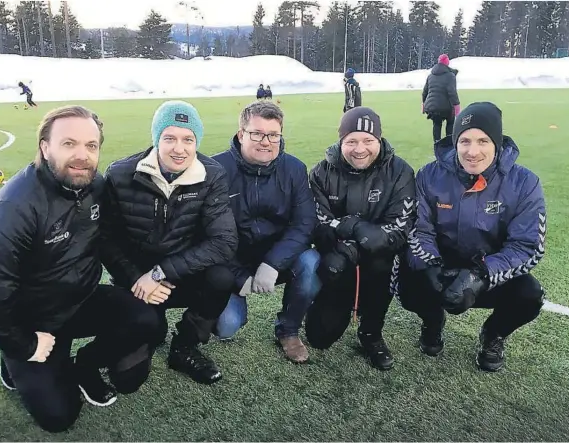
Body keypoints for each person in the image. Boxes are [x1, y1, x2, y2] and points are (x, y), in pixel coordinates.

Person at [0, 105, 163, 433]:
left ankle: (85, 363)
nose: (82, 155)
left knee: (150, 320)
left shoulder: (95, 186)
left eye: (91, 146)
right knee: (59, 417)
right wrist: (23, 345)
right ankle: (13, 362)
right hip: (36, 321)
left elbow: (105, 243)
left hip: (81, 299)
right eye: (69, 143)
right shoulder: (14, 208)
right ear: (45, 147)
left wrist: (135, 278)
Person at [399, 102, 546, 372]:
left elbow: (528, 247)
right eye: (464, 141)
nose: (472, 151)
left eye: (483, 141)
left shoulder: (525, 183)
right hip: (442, 266)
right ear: (455, 142)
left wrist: (480, 275)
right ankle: (433, 320)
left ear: (497, 143)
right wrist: (431, 267)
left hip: (489, 270)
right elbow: (419, 230)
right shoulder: (429, 175)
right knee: (407, 284)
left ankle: (493, 334)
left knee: (530, 295)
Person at [100, 100, 238, 385]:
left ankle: (185, 346)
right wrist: (137, 278)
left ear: (196, 141)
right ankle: (151, 327)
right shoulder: (119, 174)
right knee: (128, 378)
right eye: (170, 138)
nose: (179, 148)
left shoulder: (212, 175)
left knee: (222, 277)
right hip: (137, 280)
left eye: (188, 139)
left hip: (181, 273)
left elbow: (224, 241)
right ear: (156, 139)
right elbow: (106, 238)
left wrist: (161, 272)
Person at [306, 107, 416, 370]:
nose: (360, 149)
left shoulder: (400, 172)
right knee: (319, 338)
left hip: (378, 258)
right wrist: (354, 233)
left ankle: (371, 332)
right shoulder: (321, 173)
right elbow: (316, 221)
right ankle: (337, 305)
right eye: (351, 141)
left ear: (379, 140)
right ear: (340, 140)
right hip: (338, 259)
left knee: (384, 261)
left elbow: (399, 228)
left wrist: (352, 233)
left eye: (368, 140)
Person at [212, 101, 319, 363]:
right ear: (241, 134)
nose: (266, 142)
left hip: (277, 259)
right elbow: (208, 234)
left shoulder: (294, 169)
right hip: (234, 264)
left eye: (273, 135)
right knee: (226, 327)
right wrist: (238, 277)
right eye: (257, 133)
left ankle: (289, 330)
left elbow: (304, 223)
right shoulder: (216, 170)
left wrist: (272, 263)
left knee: (311, 262)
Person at [421, 54, 460, 144]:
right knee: (450, 123)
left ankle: (437, 143)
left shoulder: (431, 75)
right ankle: (448, 144)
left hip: (432, 107)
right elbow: (452, 92)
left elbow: (425, 92)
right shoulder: (450, 76)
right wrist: (457, 106)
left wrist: (423, 104)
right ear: (447, 63)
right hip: (446, 107)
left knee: (437, 124)